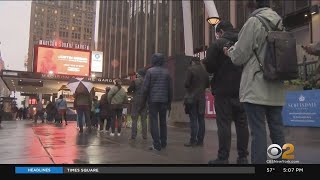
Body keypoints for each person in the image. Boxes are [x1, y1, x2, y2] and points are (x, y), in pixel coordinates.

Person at [224, 0, 286, 164]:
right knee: (277, 130)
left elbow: (239, 56)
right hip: (276, 86)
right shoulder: (279, 22)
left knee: (258, 132)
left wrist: (229, 51)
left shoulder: (254, 22)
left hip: (256, 86)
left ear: (253, 6)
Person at [203, 20, 249, 164]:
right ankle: (242, 157)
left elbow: (209, 66)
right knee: (242, 123)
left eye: (217, 33)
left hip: (223, 89)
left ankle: (223, 157)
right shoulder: (243, 40)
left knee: (224, 124)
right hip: (242, 88)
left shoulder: (217, 44)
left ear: (221, 32)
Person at [141, 53, 173, 151]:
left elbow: (145, 89)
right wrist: (169, 102)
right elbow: (170, 89)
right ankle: (163, 143)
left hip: (153, 101)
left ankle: (156, 144)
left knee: (154, 121)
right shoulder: (167, 72)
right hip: (164, 100)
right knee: (163, 122)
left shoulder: (150, 72)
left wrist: (143, 101)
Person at [183, 57, 209, 147]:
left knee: (193, 119)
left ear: (193, 62)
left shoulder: (190, 69)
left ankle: (193, 140)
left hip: (192, 98)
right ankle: (200, 141)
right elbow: (207, 85)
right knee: (201, 119)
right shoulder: (204, 71)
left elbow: (186, 84)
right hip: (201, 98)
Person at [128, 69, 148, 140]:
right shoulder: (147, 82)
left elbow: (129, 90)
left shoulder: (135, 81)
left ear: (138, 74)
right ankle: (144, 136)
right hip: (145, 101)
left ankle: (133, 135)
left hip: (136, 101)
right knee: (144, 119)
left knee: (134, 119)